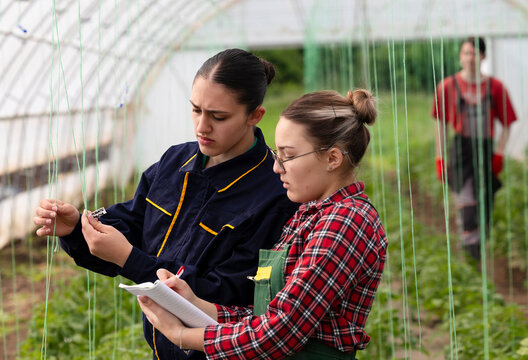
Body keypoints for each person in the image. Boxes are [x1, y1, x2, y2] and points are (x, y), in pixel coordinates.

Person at [33, 49, 298, 360]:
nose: (202, 126)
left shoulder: (275, 193)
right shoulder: (175, 161)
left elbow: (227, 293)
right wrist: (76, 227)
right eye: (196, 110)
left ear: (255, 115)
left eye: (219, 116)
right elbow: (132, 222)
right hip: (163, 349)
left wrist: (131, 260)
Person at [135, 89, 387, 359]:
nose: (277, 167)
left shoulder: (345, 222)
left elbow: (280, 332)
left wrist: (182, 335)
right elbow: (264, 315)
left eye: (288, 156)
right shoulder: (308, 215)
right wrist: (196, 303)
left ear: (332, 159)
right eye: (276, 154)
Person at [431, 37, 517, 261]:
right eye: (466, 53)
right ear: (460, 56)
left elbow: (508, 124)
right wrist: (439, 158)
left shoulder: (495, 87)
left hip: (486, 150)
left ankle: (477, 246)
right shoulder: (447, 86)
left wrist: (499, 152)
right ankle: (472, 258)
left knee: (485, 207)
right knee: (467, 206)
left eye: (475, 54)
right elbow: (439, 124)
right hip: (461, 151)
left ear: (483, 57)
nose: (470, 58)